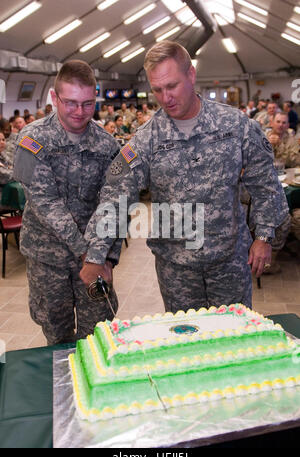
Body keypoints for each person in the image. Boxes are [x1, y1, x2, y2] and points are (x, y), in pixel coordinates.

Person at [79, 41, 288, 312]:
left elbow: (266, 184)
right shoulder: (147, 139)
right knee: (186, 345)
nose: (166, 97)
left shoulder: (235, 126)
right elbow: (115, 195)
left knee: (232, 343)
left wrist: (264, 237)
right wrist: (96, 254)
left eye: (172, 85)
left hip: (229, 262)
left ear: (191, 75)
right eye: (157, 90)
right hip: (176, 270)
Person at [13, 60, 122, 345]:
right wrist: (87, 254)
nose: (79, 112)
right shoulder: (31, 141)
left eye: (87, 103)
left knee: (98, 331)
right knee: (57, 334)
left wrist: (107, 257)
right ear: (54, 97)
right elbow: (45, 204)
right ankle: (62, 389)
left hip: (95, 258)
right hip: (48, 259)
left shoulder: (108, 146)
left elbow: (117, 204)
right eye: (71, 102)